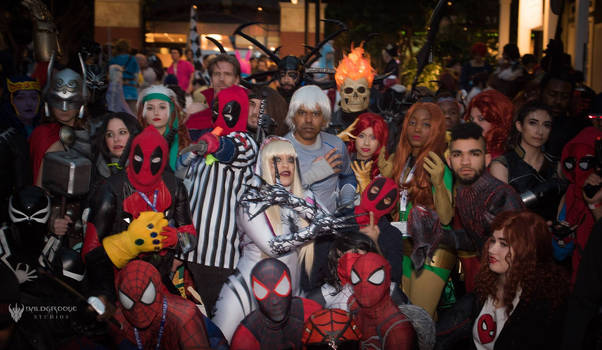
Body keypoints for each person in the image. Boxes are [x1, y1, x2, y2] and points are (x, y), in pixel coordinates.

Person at [211, 137, 318, 341]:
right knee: (222, 342)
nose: (285, 165)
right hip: (248, 290)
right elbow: (272, 247)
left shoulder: (302, 197)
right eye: (276, 160)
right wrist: (313, 228)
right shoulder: (250, 201)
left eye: (290, 159)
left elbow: (329, 222)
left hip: (290, 290)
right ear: (263, 164)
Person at [82, 126, 197, 306]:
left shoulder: (175, 187)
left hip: (157, 277)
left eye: (155, 159)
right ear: (131, 156)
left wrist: (177, 238)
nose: (146, 166)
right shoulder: (112, 188)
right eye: (139, 158)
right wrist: (127, 243)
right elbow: (90, 250)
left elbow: (190, 237)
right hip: (115, 276)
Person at [177, 85, 258, 316]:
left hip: (220, 256)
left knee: (214, 322)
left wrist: (216, 143)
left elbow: (232, 150)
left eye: (224, 107)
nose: (219, 112)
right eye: (217, 107)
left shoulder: (245, 141)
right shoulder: (205, 141)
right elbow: (180, 177)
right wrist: (194, 151)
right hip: (188, 252)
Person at [389, 102, 454, 316]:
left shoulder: (436, 164)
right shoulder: (404, 161)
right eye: (413, 123)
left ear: (435, 129)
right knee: (408, 319)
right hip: (405, 249)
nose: (417, 129)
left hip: (431, 254)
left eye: (426, 124)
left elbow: (445, 218)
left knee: (419, 319)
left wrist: (438, 182)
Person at [473, 211, 568, 349]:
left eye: (503, 244)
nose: (492, 250)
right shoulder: (484, 286)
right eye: (493, 241)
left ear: (526, 251)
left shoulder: (541, 306)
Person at [447, 122, 524, 292]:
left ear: (487, 159)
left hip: (512, 287)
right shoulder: (462, 192)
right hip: (488, 282)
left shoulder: (500, 195)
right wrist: (438, 234)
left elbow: (519, 254)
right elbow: (475, 239)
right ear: (449, 161)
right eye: (458, 154)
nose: (465, 162)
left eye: (474, 154)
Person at [489, 102, 565, 221]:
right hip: (515, 234)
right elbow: (502, 213)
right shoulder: (502, 165)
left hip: (550, 237)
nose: (539, 131)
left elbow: (561, 212)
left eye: (546, 125)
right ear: (519, 126)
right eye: (533, 123)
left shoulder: (557, 165)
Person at [111, 260, 211, 349]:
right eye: (128, 301)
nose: (138, 310)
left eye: (146, 296)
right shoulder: (116, 318)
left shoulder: (184, 316)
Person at [230, 258, 323, 350]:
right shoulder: (246, 336)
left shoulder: (312, 313)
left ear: (291, 286)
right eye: (261, 291)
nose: (274, 300)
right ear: (254, 294)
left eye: (281, 287)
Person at [348, 252, 416, 350]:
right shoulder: (354, 306)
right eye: (356, 278)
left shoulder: (398, 329)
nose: (364, 287)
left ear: (387, 281)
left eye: (375, 278)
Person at [136, 85, 190, 171]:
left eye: (162, 107)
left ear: (171, 109)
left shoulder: (182, 141)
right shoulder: (135, 140)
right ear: (144, 113)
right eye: (150, 108)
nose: (156, 112)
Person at [339, 112, 389, 194]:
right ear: (353, 136)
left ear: (381, 141)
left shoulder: (384, 170)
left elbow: (375, 206)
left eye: (373, 138)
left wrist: (365, 184)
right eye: (361, 136)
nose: (366, 143)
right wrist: (337, 140)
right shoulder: (341, 158)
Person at [91, 112, 141, 185]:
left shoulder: (150, 168)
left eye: (122, 132)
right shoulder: (94, 171)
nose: (116, 139)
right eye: (110, 134)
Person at [464, 89, 514, 159]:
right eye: (471, 119)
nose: (474, 124)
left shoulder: (506, 158)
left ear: (498, 121)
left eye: (481, 119)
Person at [108, 39, 140, 113]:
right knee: (132, 114)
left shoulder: (113, 59)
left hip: (117, 90)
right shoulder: (132, 59)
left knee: (118, 114)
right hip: (131, 89)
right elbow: (137, 75)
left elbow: (110, 76)